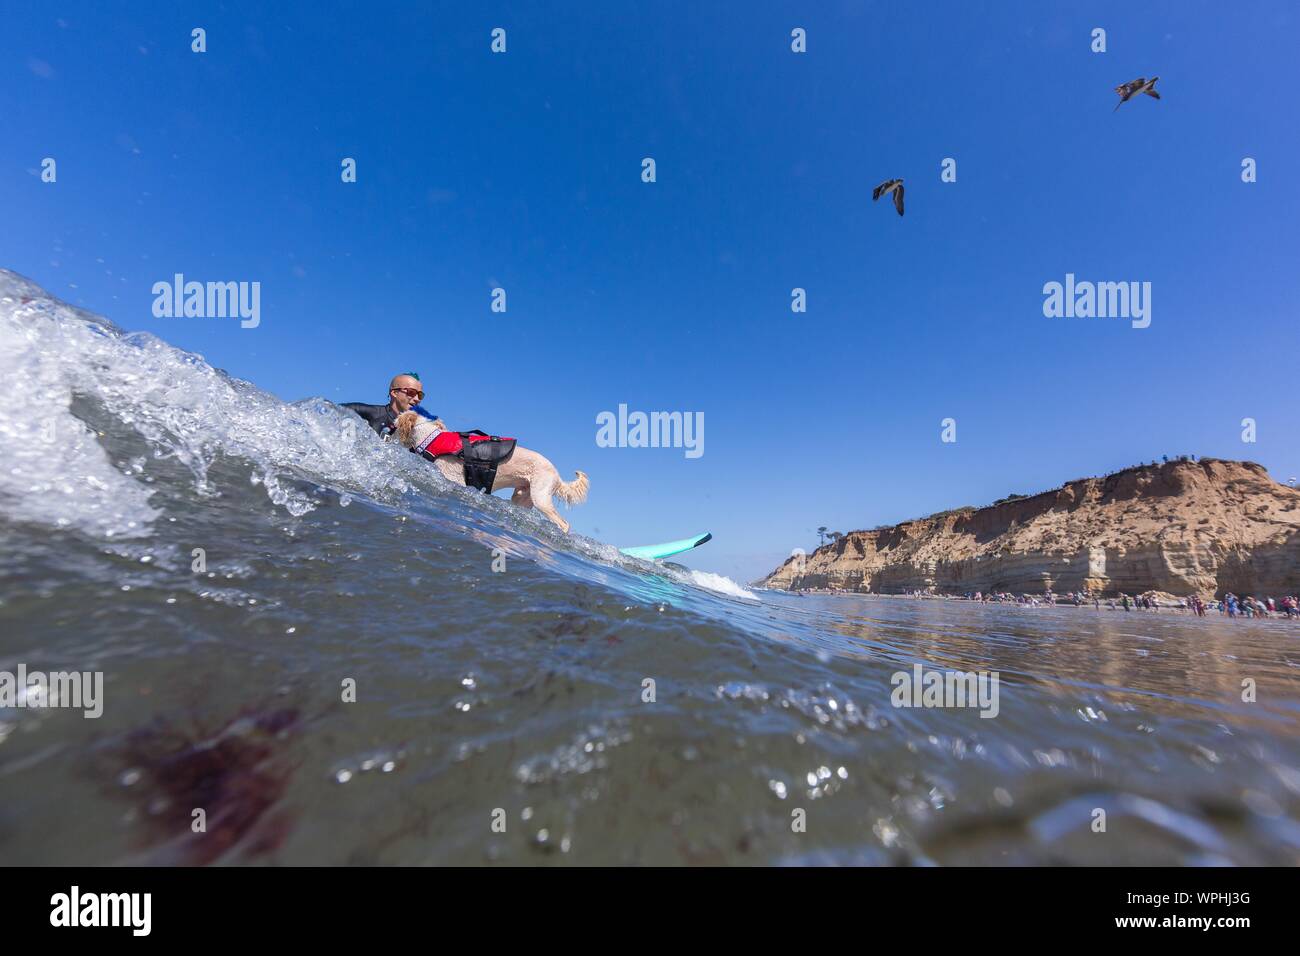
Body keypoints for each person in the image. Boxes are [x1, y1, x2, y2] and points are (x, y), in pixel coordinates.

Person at [343, 372, 434, 440]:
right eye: (411, 392)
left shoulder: (417, 430)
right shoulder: (371, 413)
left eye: (420, 395)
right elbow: (331, 409)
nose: (417, 399)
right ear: (394, 393)